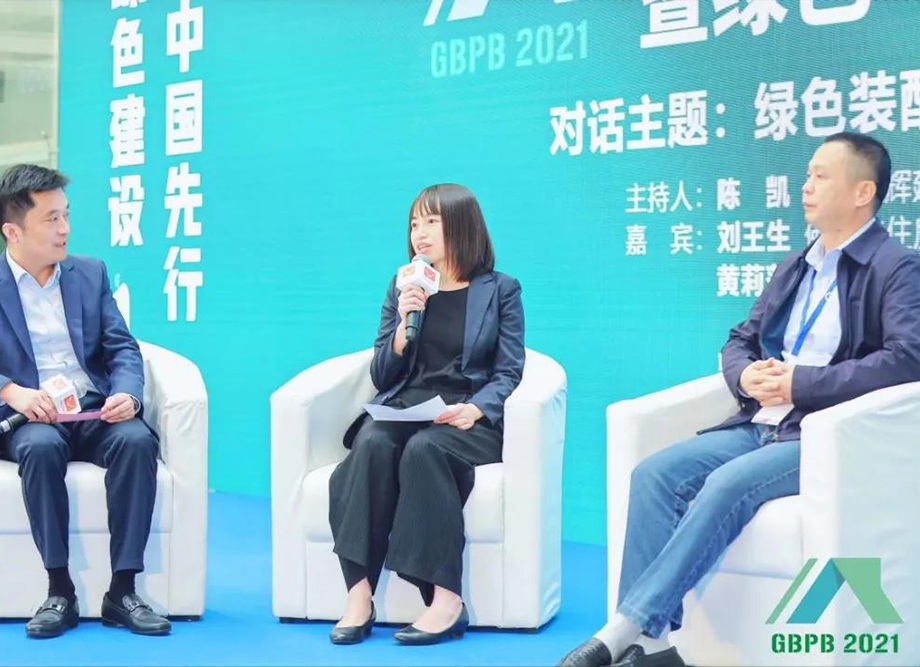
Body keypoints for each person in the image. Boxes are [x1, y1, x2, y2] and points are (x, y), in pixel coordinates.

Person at [560, 132, 920, 667]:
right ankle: (654, 648)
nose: (805, 187)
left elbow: (907, 359)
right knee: (654, 474)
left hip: (822, 432)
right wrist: (745, 375)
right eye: (807, 175)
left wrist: (803, 383)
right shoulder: (796, 265)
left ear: (863, 191)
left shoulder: (896, 266)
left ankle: (626, 629)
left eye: (821, 176)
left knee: (726, 484)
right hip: (759, 421)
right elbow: (740, 339)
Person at [0, 164, 171, 639]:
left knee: (137, 440)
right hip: (31, 416)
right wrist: (9, 390)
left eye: (66, 215)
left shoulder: (89, 273)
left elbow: (122, 347)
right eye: (52, 219)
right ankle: (60, 591)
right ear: (12, 231)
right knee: (40, 448)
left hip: (93, 408)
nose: (65, 229)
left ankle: (123, 591)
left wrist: (126, 393)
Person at [327, 183, 526, 645]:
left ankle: (446, 600)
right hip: (406, 405)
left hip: (464, 415)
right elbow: (381, 373)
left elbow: (509, 370)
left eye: (431, 221)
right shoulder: (405, 285)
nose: (420, 233)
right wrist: (402, 326)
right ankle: (359, 595)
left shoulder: (501, 290)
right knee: (372, 443)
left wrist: (477, 408)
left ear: (462, 225)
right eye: (414, 223)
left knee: (424, 450)